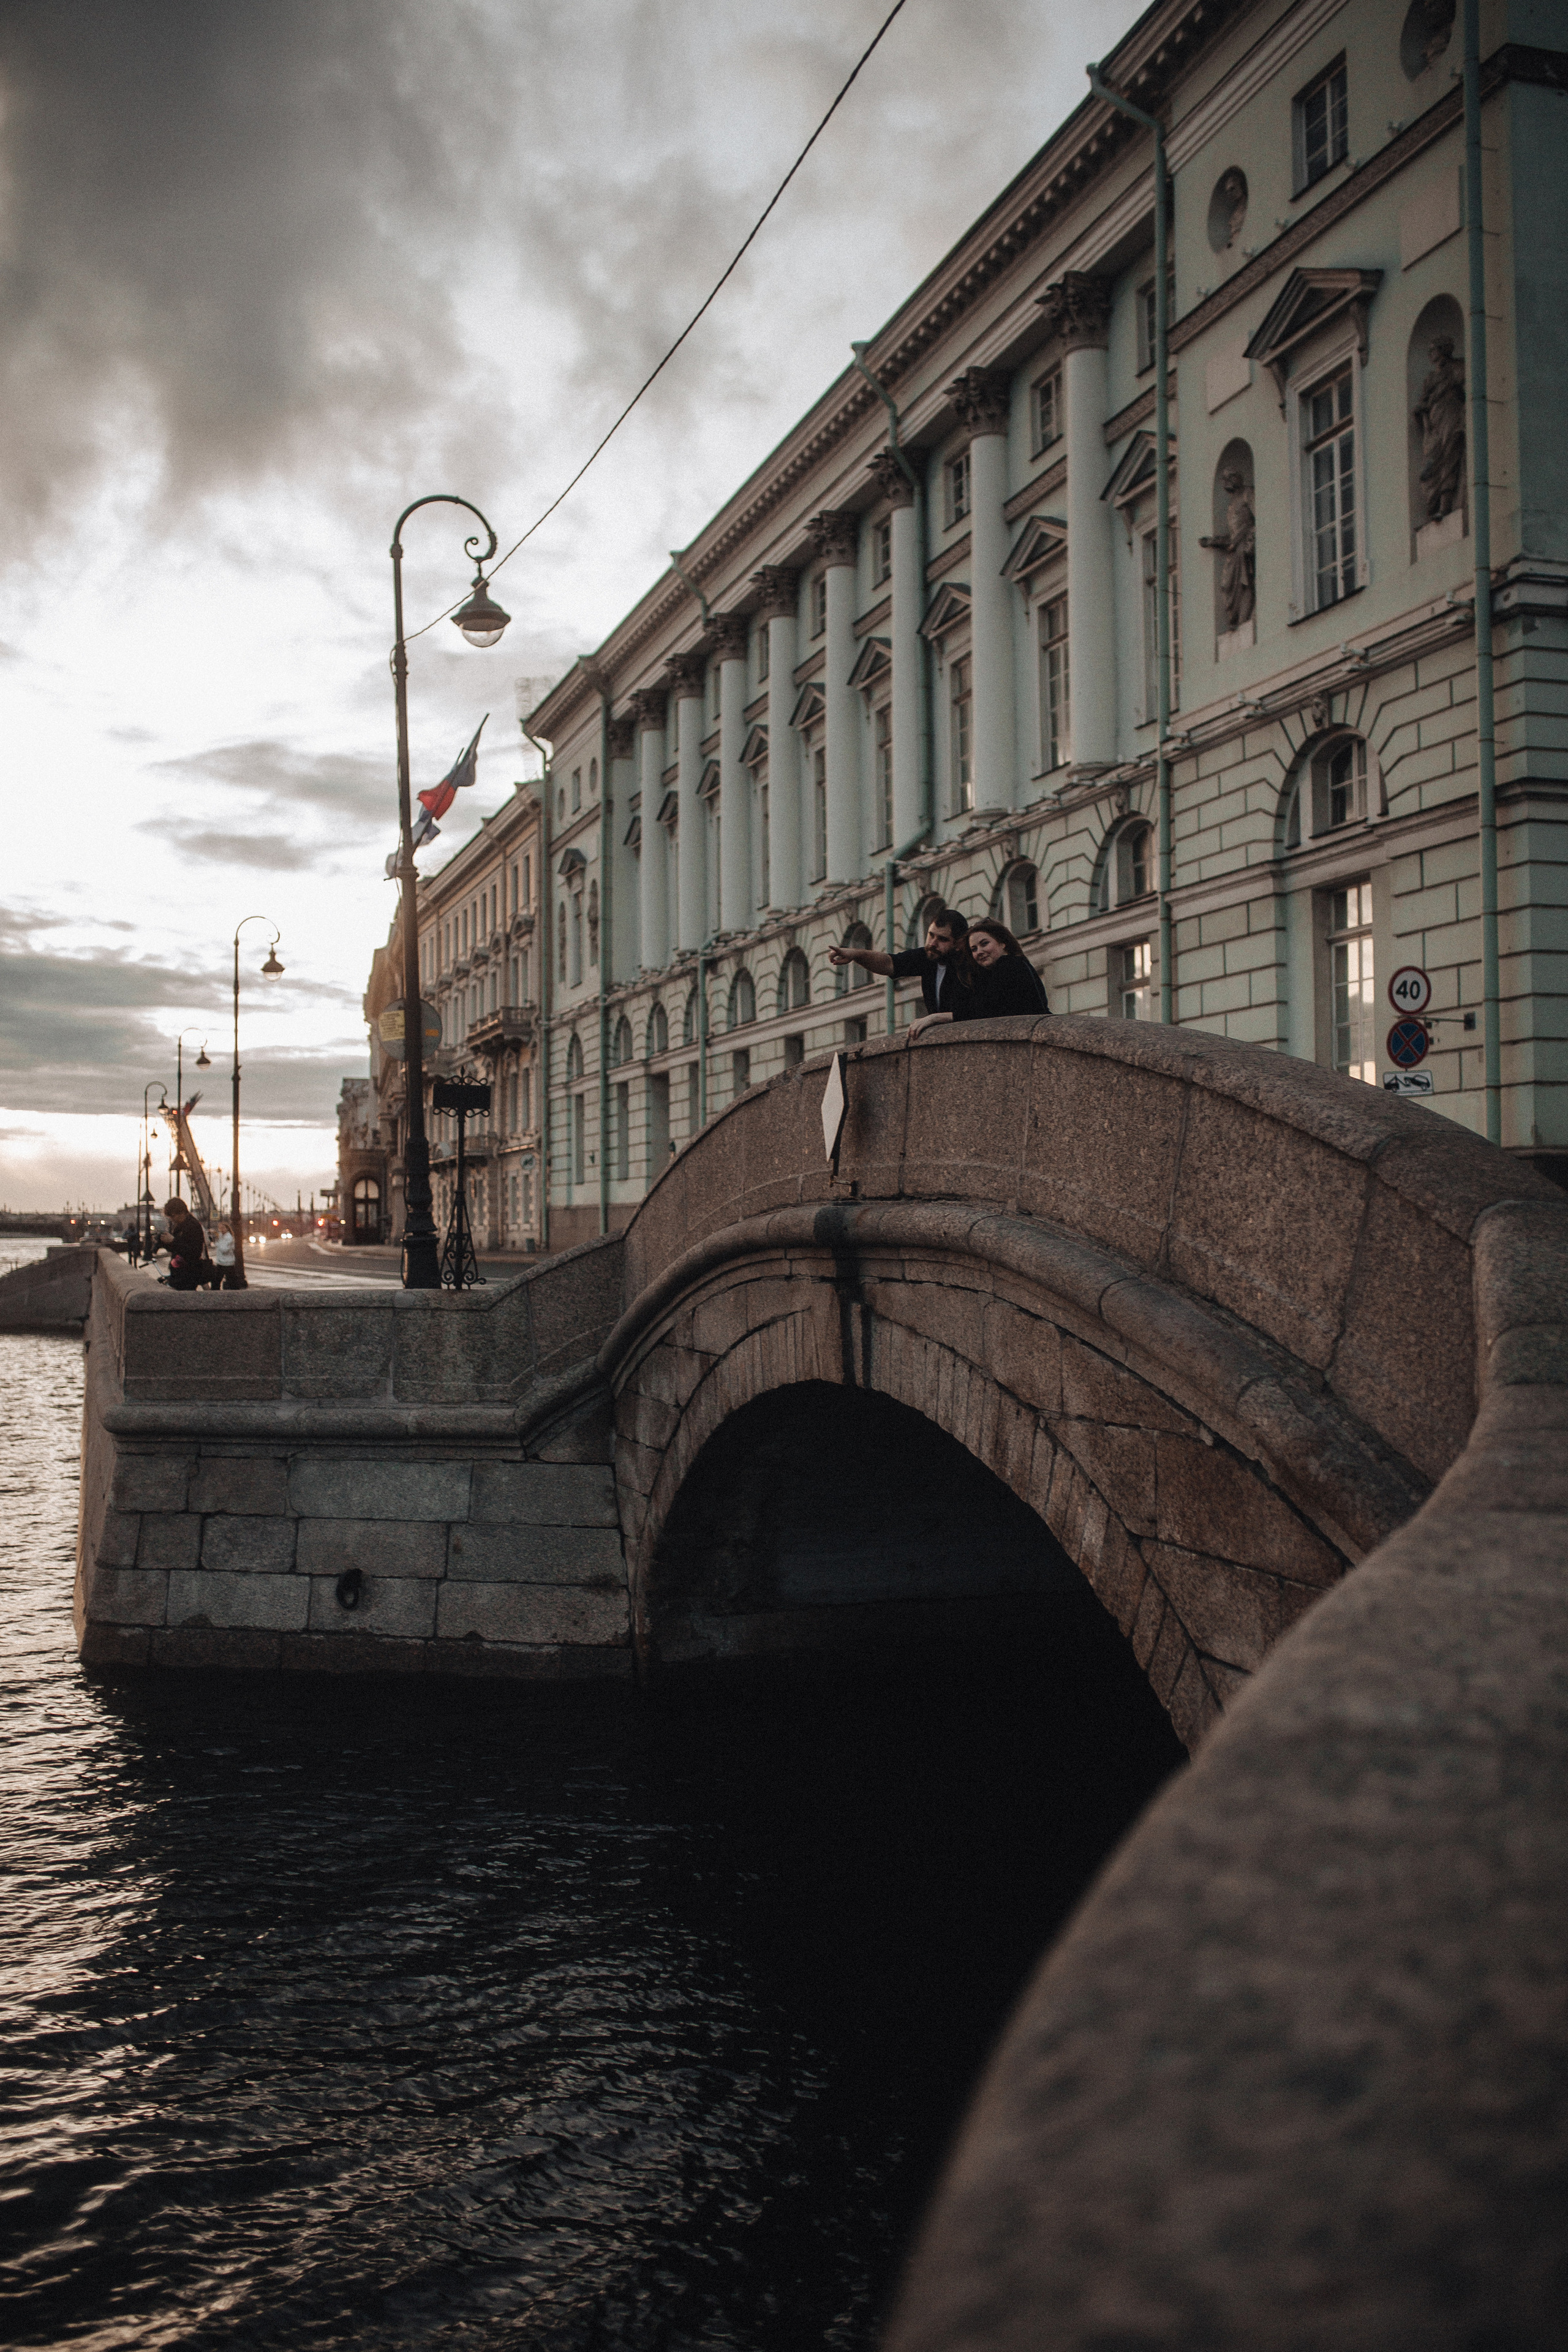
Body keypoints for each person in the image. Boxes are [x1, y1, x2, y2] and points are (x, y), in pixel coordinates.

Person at [827, 903, 974, 1022]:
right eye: (931, 935)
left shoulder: (971, 966)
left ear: (959, 944)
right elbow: (889, 963)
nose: (932, 944)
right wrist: (855, 954)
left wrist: (933, 1019)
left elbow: (976, 1012)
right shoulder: (927, 958)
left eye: (942, 939)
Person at [908, 918, 1049, 1038]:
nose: (979, 952)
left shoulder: (1009, 964)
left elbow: (983, 1009)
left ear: (1002, 943)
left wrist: (935, 1018)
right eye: (974, 949)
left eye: (984, 944)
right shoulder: (1013, 965)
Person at [161, 1197, 212, 1292]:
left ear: (182, 1212)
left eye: (173, 1216)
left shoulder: (193, 1226)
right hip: (179, 1273)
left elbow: (194, 1252)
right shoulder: (180, 1226)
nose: (172, 1219)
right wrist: (165, 1243)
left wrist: (173, 1241)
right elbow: (176, 1249)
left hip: (188, 1275)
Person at [211, 1223, 241, 1289]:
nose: (221, 1230)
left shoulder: (229, 1238)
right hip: (222, 1261)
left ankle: (215, 1290)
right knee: (222, 1279)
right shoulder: (221, 1236)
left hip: (227, 1262)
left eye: (223, 1228)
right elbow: (216, 1245)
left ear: (227, 1229)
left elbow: (225, 1250)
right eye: (220, 1228)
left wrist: (218, 1244)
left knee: (228, 1279)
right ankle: (215, 1290)